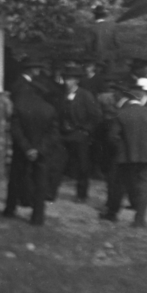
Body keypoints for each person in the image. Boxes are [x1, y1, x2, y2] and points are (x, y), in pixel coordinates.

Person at [3, 59, 59, 227]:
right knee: (40, 181)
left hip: (22, 149)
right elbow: (53, 134)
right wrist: (39, 149)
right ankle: (38, 216)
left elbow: (15, 130)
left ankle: (10, 208)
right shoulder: (50, 110)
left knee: (15, 178)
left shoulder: (20, 106)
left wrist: (27, 148)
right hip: (41, 151)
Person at [101, 77, 147, 228]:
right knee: (143, 188)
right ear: (141, 97)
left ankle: (112, 214)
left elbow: (112, 137)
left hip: (124, 157)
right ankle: (139, 220)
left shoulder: (121, 114)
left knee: (119, 187)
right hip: (146, 157)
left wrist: (123, 148)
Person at [51, 64, 102, 201]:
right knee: (57, 163)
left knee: (82, 166)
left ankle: (81, 194)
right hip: (62, 135)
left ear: (77, 81)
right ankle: (51, 193)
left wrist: (85, 131)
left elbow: (95, 116)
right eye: (65, 79)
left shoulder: (85, 95)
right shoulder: (60, 95)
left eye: (70, 79)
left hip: (79, 134)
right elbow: (55, 114)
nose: (67, 82)